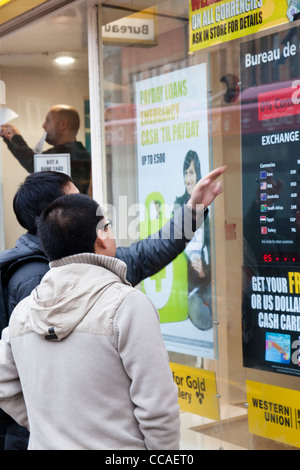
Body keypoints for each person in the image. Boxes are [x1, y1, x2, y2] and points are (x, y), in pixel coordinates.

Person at [0, 165, 226, 449]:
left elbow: (145, 254)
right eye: (76, 198)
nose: (85, 201)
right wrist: (49, 422)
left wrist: (192, 212)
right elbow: (158, 407)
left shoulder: (88, 273)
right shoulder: (37, 283)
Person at [0, 104, 91, 194]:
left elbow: (32, 163)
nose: (43, 126)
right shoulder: (77, 151)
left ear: (63, 125)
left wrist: (15, 137)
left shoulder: (68, 153)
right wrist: (10, 139)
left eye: (48, 121)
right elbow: (33, 163)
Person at [174, 150, 212, 330]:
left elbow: (213, 248)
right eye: (186, 173)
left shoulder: (205, 209)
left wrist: (205, 271)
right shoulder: (177, 206)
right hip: (185, 289)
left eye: (192, 172)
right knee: (203, 319)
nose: (188, 178)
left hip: (204, 282)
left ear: (198, 174)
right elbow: (170, 251)